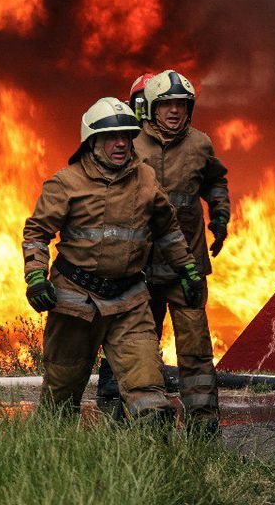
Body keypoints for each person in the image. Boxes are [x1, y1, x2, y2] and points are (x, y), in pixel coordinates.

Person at [21, 96, 207, 418]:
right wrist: (36, 276)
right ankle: (50, 461)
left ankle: (151, 464)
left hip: (129, 303)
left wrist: (187, 268)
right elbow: (37, 232)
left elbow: (168, 230)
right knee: (60, 399)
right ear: (92, 140)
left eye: (126, 135)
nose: (121, 143)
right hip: (75, 303)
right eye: (111, 137)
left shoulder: (146, 179)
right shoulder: (65, 183)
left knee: (150, 400)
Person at [136, 69, 231, 432]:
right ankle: (147, 422)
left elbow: (215, 180)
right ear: (152, 108)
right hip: (141, 270)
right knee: (142, 351)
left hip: (186, 269)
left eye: (180, 104)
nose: (174, 111)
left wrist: (219, 216)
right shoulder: (131, 145)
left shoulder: (200, 144)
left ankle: (203, 425)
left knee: (195, 350)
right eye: (167, 104)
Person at [96, 72, 159, 405]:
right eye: (138, 102)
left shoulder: (168, 141)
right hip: (128, 243)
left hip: (155, 244)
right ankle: (110, 379)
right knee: (119, 308)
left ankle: (146, 377)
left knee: (148, 313)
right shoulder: (118, 139)